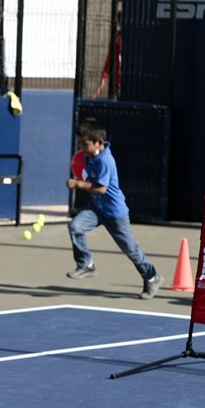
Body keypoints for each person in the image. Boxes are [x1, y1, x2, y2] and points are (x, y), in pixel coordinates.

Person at [65, 118, 162, 299]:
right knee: (75, 226)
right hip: (96, 209)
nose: (82, 148)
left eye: (85, 144)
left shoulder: (105, 160)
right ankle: (86, 265)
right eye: (80, 144)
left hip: (115, 213)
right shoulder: (88, 156)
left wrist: (77, 184)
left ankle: (152, 277)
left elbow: (101, 189)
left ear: (99, 142)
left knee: (130, 249)